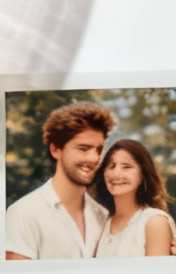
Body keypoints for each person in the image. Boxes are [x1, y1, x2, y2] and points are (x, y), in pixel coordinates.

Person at [6, 101, 115, 260]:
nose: (94, 158)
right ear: (56, 149)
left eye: (98, 150)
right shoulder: (24, 213)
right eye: (83, 148)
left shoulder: (102, 215)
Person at [92, 139, 176, 258]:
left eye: (126, 167)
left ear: (143, 174)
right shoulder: (102, 225)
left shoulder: (154, 222)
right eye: (111, 166)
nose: (116, 174)